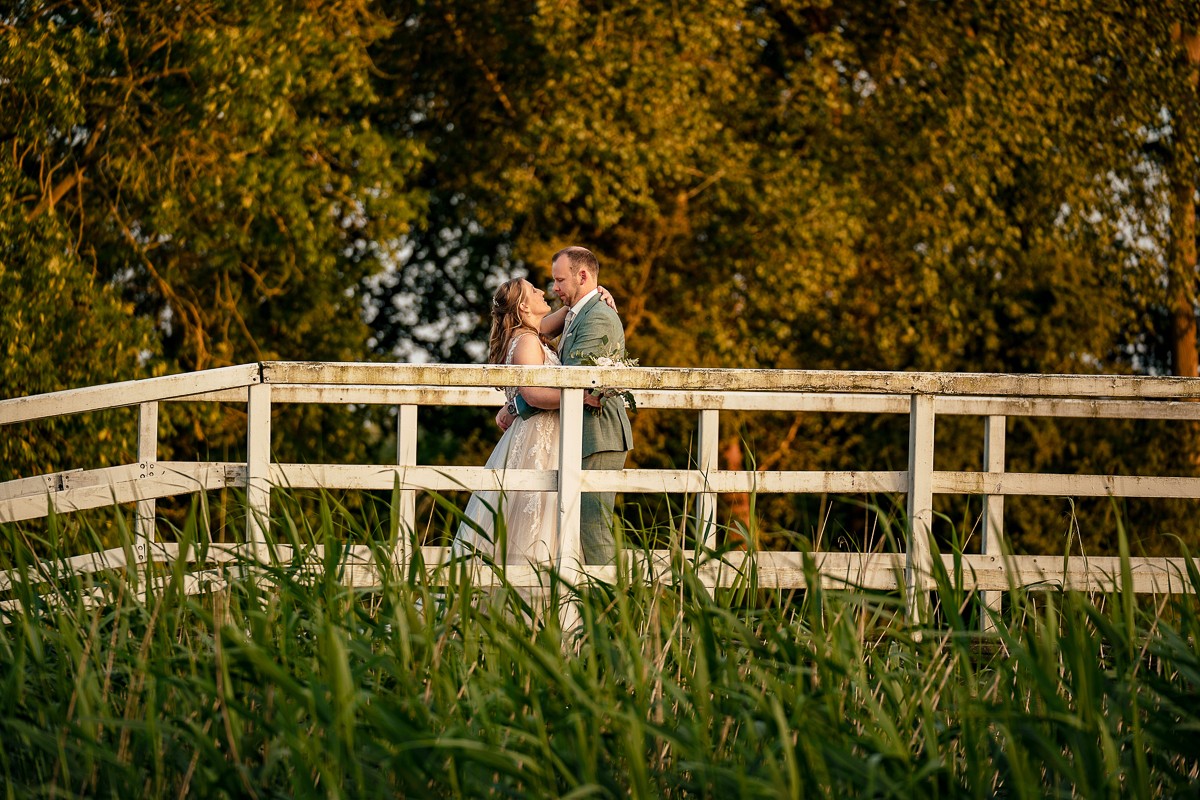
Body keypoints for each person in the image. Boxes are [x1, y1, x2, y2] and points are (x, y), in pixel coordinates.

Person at [453, 277, 608, 564]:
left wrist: (596, 293)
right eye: (534, 290)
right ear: (523, 305)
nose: (542, 291)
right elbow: (534, 394)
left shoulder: (529, 333)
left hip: (543, 430)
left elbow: (569, 310)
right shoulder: (525, 341)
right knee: (536, 511)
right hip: (539, 435)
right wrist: (580, 397)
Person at [497, 246, 634, 564]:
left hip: (597, 436)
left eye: (559, 280)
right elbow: (529, 330)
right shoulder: (574, 315)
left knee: (592, 531)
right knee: (573, 531)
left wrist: (516, 406)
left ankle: (618, 610)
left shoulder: (597, 317)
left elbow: (575, 383)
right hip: (574, 438)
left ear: (582, 276)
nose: (553, 289)